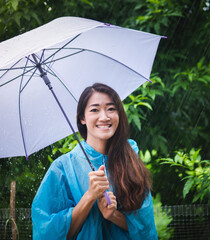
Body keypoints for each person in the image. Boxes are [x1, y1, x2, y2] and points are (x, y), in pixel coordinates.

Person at [32, 83, 157, 239]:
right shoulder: (62, 168)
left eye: (111, 109)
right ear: (82, 118)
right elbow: (47, 233)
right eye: (94, 110)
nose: (104, 117)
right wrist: (89, 196)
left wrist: (112, 215)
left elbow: (146, 229)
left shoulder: (131, 159)